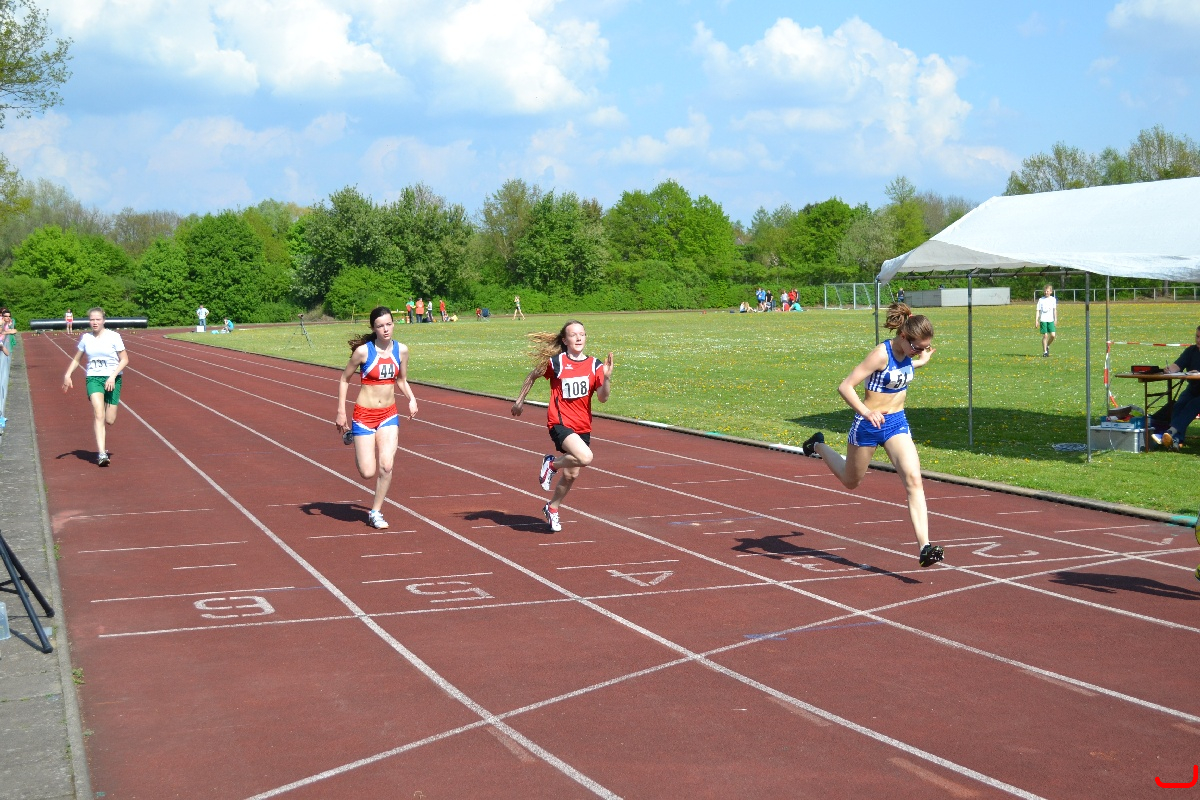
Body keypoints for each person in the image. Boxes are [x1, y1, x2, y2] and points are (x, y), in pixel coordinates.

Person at [802, 302, 944, 568]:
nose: (919, 352)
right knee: (850, 481)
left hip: (896, 423)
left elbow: (901, 372)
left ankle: (925, 547)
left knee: (914, 480)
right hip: (868, 425)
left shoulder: (910, 354)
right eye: (917, 347)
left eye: (924, 348)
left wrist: (921, 361)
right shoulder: (880, 354)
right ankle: (818, 445)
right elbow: (845, 386)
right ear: (904, 336)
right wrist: (866, 412)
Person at [511, 320, 613, 532]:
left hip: (583, 426)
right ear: (565, 341)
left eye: (582, 334)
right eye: (573, 335)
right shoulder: (556, 362)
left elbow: (603, 398)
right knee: (585, 457)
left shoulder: (595, 365)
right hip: (560, 422)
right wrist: (519, 402)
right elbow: (532, 376)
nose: (578, 338)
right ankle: (551, 465)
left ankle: (552, 508)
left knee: (571, 475)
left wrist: (607, 378)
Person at [335, 307, 418, 529]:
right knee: (367, 472)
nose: (385, 329)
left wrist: (411, 398)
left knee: (387, 465)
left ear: (394, 324)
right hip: (364, 415)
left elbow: (401, 380)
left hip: (388, 415)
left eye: (389, 324)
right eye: (380, 326)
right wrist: (341, 411)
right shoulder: (363, 352)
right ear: (373, 328)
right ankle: (355, 437)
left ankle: (375, 512)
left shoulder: (402, 350)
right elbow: (344, 379)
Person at [61, 308, 129, 467]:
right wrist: (68, 374)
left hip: (113, 378)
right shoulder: (86, 338)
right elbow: (77, 359)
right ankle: (102, 454)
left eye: (98, 319)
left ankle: (103, 441)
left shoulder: (114, 336)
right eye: (92, 320)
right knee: (99, 413)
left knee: (109, 420)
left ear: (103, 320)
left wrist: (112, 376)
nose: (95, 322)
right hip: (93, 378)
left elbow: (125, 359)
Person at [1150, 324, 1200, 450]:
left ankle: (1170, 433)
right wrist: (1169, 369)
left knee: (1193, 404)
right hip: (1193, 389)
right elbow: (1177, 366)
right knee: (1178, 405)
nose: (1198, 340)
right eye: (1197, 336)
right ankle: (1176, 441)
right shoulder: (1191, 351)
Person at [1036, 284, 1057, 357]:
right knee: (1045, 335)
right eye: (1045, 291)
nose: (1046, 292)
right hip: (1043, 320)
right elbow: (1038, 310)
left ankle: (1047, 346)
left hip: (1050, 320)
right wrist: (1036, 320)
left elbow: (1054, 310)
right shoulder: (1041, 300)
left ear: (1051, 291)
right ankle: (1045, 352)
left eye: (1047, 291)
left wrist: (1055, 319)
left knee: (1053, 335)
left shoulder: (1053, 299)